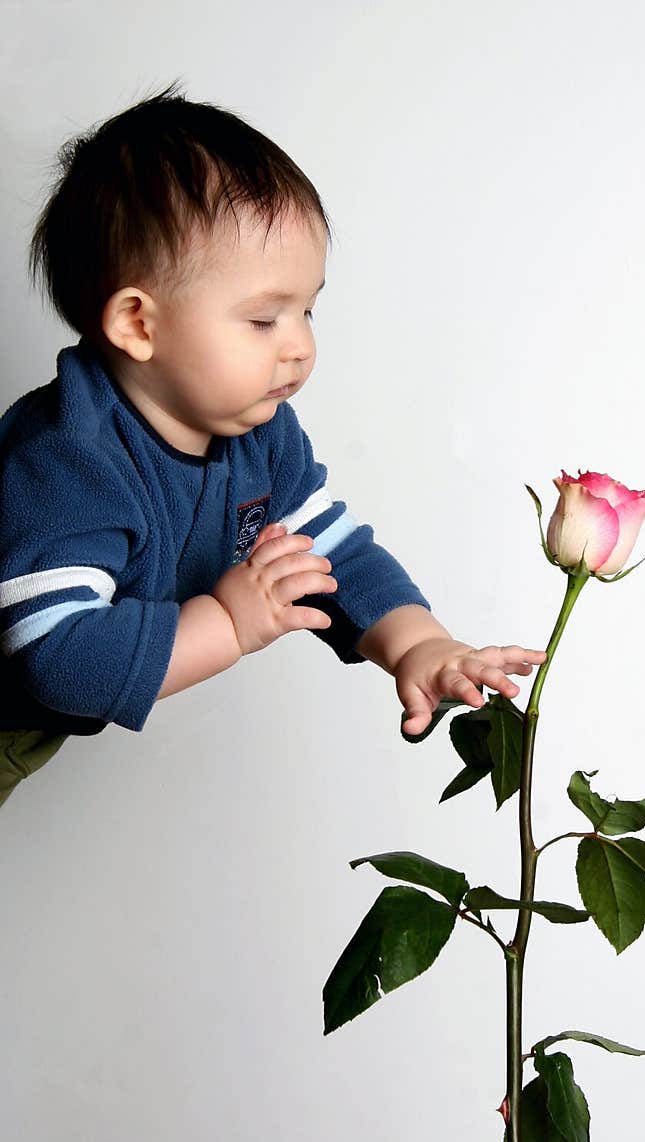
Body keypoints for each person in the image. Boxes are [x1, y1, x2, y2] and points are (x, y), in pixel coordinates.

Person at [0, 86, 546, 808]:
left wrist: (420, 644)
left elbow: (333, 556)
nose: (300, 346)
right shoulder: (70, 457)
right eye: (263, 320)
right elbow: (59, 657)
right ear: (139, 324)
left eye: (307, 308)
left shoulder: (259, 435)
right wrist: (227, 622)